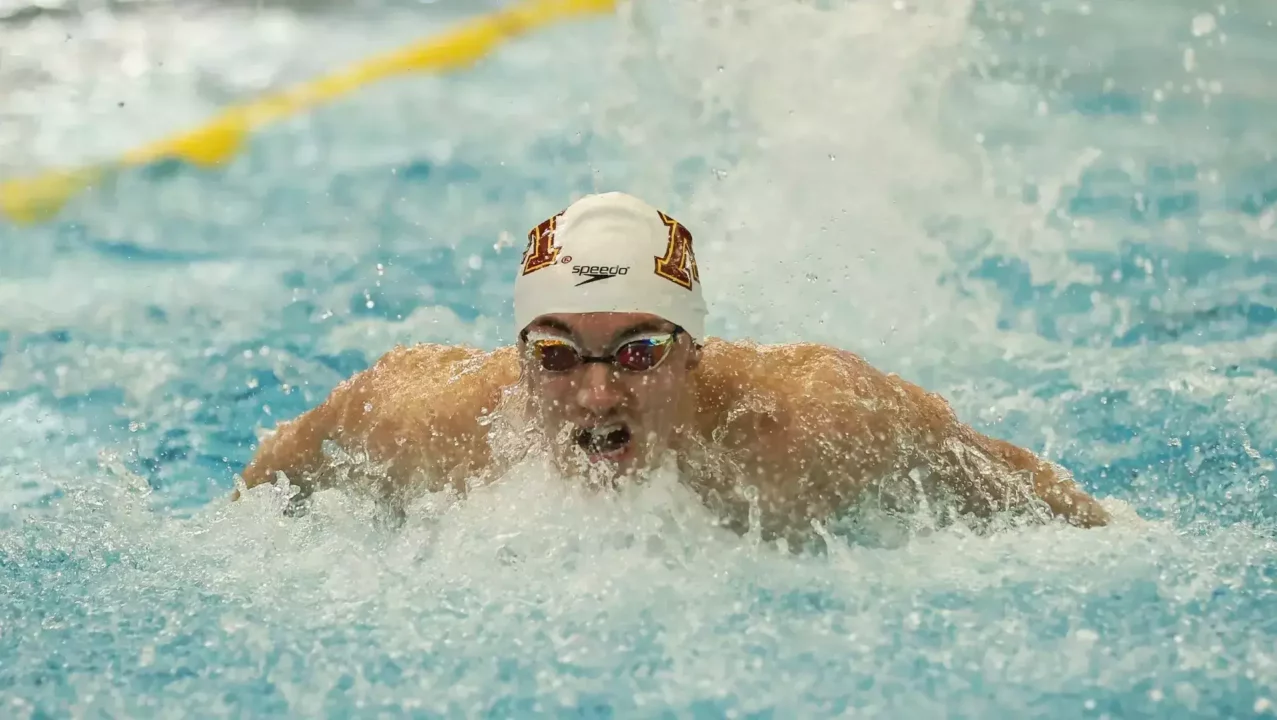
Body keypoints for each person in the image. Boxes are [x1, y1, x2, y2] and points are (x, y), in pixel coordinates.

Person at [234, 191, 1110, 541]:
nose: (597, 389)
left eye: (640, 351)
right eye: (555, 354)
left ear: (694, 354)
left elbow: (1010, 482)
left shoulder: (810, 421)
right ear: (517, 357)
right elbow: (266, 487)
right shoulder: (420, 421)